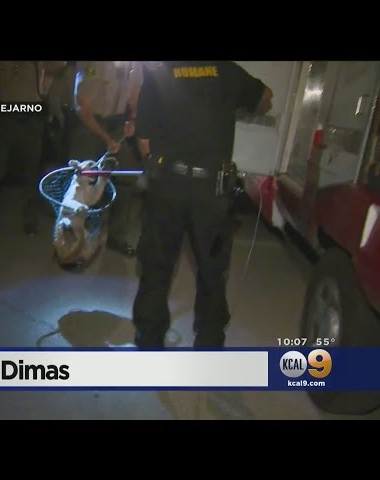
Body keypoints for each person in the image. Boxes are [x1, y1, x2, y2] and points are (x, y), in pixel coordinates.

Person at [132, 61, 273, 348]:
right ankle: (209, 340)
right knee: (212, 269)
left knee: (156, 265)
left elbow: (144, 140)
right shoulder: (227, 70)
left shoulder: (159, 73)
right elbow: (266, 99)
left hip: (168, 187)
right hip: (212, 191)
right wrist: (235, 103)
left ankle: (149, 337)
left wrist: (157, 166)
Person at [69, 61, 143, 257]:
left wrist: (132, 119)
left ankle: (116, 237)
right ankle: (78, 239)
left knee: (126, 178)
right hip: (90, 124)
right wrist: (107, 139)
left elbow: (135, 89)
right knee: (85, 182)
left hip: (118, 122)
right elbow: (82, 108)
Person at [0, 61, 54, 236]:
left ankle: (31, 218)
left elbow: (52, 71)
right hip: (5, 121)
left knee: (32, 171)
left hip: (31, 121)